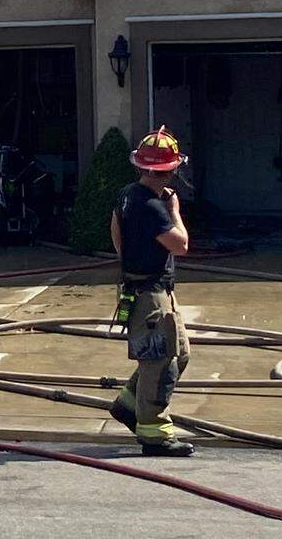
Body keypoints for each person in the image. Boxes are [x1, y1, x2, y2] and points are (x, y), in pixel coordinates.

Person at [107, 126, 193, 457]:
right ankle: (154, 433)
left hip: (143, 289)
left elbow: (116, 233)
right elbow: (181, 245)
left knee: (178, 353)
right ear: (170, 169)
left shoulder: (127, 194)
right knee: (161, 361)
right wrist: (175, 212)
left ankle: (128, 406)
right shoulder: (156, 207)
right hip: (152, 296)